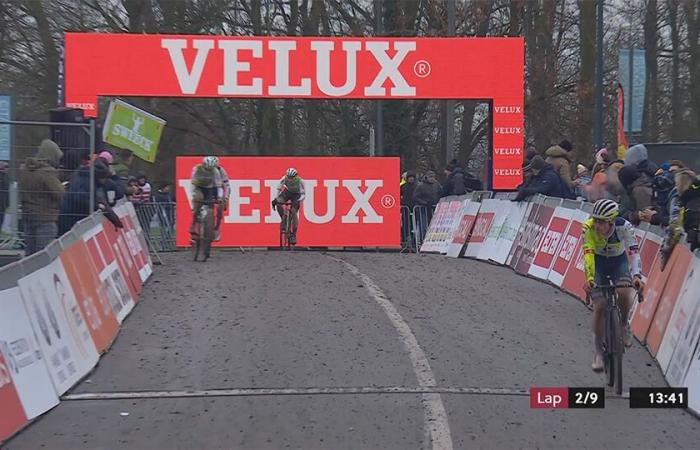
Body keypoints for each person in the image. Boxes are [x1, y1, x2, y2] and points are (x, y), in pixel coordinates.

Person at [583, 199, 643, 372]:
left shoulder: (624, 227)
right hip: (597, 262)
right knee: (600, 305)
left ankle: (624, 324)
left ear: (611, 221)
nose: (596, 224)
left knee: (624, 292)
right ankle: (598, 353)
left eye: (600, 221)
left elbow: (634, 253)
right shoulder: (587, 228)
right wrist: (590, 277)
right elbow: (587, 255)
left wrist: (637, 275)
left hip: (618, 261)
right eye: (594, 219)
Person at [19, 139, 65, 255]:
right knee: (43, 255)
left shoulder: (25, 170)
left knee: (30, 254)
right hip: (45, 218)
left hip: (28, 216)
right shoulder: (47, 173)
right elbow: (60, 193)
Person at [189, 156, 221, 239]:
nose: (208, 171)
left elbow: (219, 186)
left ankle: (212, 227)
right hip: (198, 187)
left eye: (210, 169)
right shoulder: (197, 169)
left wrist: (220, 197)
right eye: (206, 169)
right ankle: (193, 224)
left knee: (212, 207)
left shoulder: (216, 171)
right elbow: (192, 185)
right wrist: (193, 199)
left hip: (209, 188)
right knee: (198, 199)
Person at [272, 167, 306, 245]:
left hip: (297, 195)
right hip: (287, 192)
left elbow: (303, 194)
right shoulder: (284, 178)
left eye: (292, 178)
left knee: (294, 211)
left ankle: (293, 234)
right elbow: (279, 189)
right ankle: (284, 218)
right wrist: (276, 199)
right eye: (289, 177)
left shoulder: (301, 181)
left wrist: (298, 201)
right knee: (278, 202)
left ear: (296, 176)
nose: (290, 179)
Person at [213, 162, 230, 241]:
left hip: (219, 189)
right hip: (207, 189)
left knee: (220, 208)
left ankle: (217, 227)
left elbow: (226, 186)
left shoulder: (221, 171)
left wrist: (225, 198)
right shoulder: (201, 171)